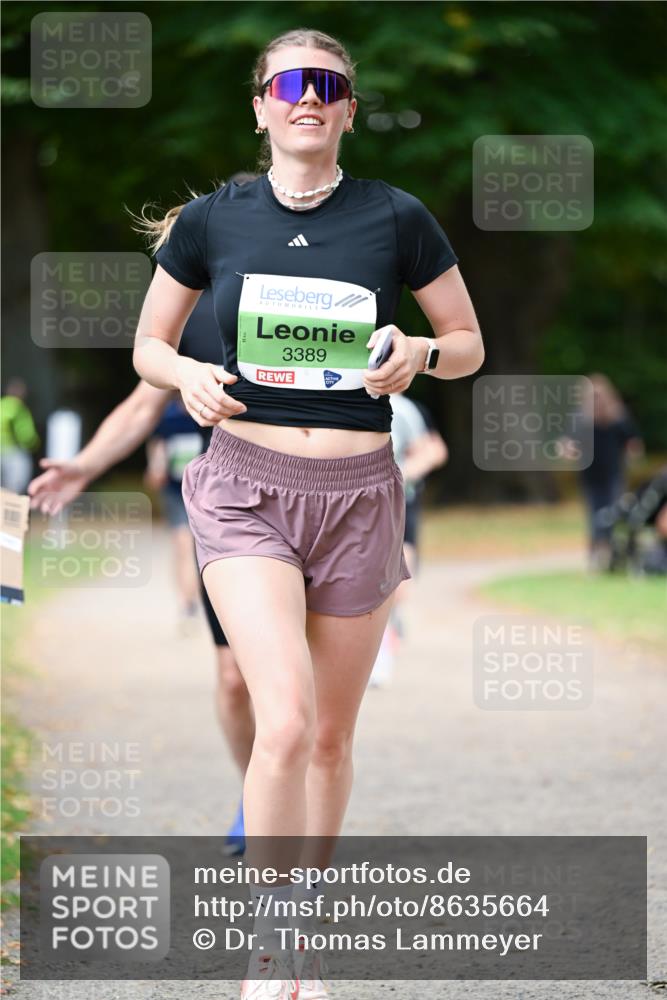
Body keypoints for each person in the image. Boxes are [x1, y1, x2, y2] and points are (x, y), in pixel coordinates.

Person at [133, 28, 483, 999]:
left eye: (326, 83)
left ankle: (305, 929)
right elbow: (147, 346)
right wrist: (187, 374)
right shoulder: (214, 220)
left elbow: (467, 342)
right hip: (244, 489)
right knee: (282, 721)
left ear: (347, 110)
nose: (307, 96)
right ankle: (270, 946)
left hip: (361, 496)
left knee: (329, 737)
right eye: (287, 81)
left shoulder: (396, 216)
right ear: (260, 106)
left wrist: (419, 352)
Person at [27, 286, 253, 856]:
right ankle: (258, 794)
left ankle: (295, 813)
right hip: (233, 516)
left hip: (324, 505)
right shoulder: (201, 306)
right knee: (235, 677)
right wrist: (83, 466)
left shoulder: (325, 278)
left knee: (312, 681)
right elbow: (141, 405)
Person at [368, 393, 448, 687]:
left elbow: (435, 450)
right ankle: (378, 645)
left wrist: (401, 475)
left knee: (399, 583)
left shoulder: (409, 410)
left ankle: (390, 626)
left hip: (402, 503)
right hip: (362, 503)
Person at [144, 397, 205, 630]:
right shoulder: (167, 415)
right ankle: (187, 603)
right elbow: (158, 444)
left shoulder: (209, 409)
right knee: (183, 544)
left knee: (197, 549)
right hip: (175, 491)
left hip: (205, 492)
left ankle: (198, 600)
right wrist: (155, 467)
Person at [579, 374, 643, 569]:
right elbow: (569, 442)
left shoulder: (618, 418)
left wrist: (633, 453)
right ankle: (596, 554)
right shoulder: (582, 420)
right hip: (590, 476)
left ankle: (613, 552)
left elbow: (632, 441)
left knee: (612, 513)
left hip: (612, 474)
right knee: (594, 515)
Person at [0, 377, 41, 493]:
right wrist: (35, 445)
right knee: (15, 490)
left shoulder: (2, 405)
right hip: (14, 452)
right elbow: (26, 435)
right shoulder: (18, 408)